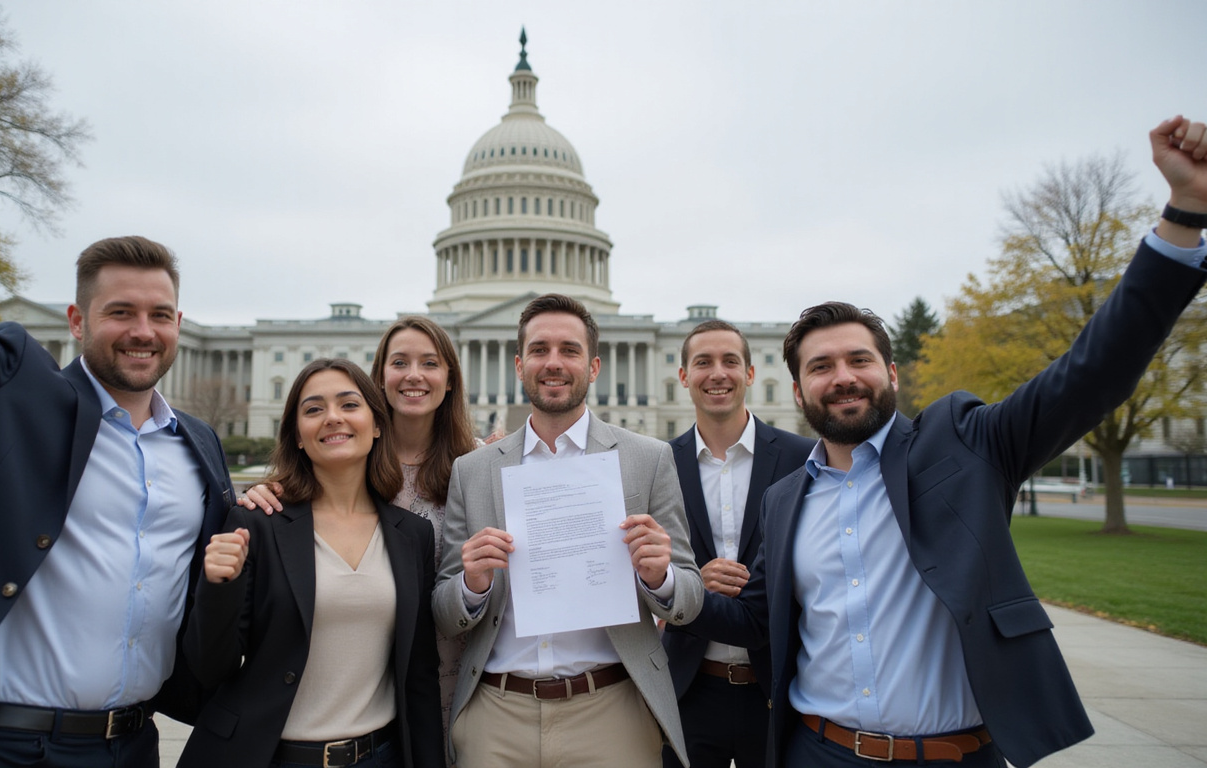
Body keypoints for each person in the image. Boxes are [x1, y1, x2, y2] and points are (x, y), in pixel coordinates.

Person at [689, 117, 1207, 768]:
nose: (843, 377)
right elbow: (754, 621)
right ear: (797, 392)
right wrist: (662, 585)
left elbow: (1092, 371)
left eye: (859, 360)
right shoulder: (786, 498)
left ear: (893, 374)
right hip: (817, 751)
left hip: (954, 755)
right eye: (820, 368)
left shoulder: (967, 445)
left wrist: (1183, 214)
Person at [0, 9, 236, 765]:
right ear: (75, 319)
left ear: (180, 323)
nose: (143, 331)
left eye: (160, 314)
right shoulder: (7, 391)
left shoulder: (198, 447)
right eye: (120, 312)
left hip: (131, 745)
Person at [431, 293, 704, 767]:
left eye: (569, 350)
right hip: (498, 715)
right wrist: (471, 586)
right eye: (539, 350)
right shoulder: (472, 471)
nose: (552, 363)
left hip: (611, 711)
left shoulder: (648, 458)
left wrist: (660, 576)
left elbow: (689, 599)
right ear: (519, 365)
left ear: (594, 366)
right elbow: (443, 609)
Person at [179, 359, 444, 768]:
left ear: (376, 425)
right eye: (314, 409)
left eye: (349, 405)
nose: (333, 418)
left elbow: (419, 674)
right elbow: (210, 667)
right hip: (273, 756)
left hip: (379, 756)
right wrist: (218, 587)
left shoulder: (412, 535)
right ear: (298, 436)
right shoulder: (257, 522)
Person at [243, 316, 478, 762]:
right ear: (379, 379)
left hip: (462, 678)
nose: (413, 375)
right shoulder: (349, 459)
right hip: (375, 691)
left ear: (450, 379)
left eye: (430, 362)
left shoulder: (480, 466)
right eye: (399, 362)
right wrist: (268, 492)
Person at [662, 320, 814, 768]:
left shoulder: (803, 457)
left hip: (780, 688)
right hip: (690, 687)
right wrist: (689, 583)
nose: (718, 374)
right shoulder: (658, 464)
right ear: (684, 376)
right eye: (703, 362)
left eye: (730, 361)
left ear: (749, 374)